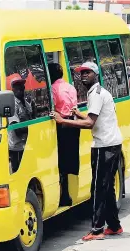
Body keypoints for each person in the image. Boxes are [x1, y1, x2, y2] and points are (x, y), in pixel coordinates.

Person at [51, 62, 123, 241]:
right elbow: (94, 118)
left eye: (87, 73)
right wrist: (79, 113)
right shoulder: (97, 93)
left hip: (104, 146)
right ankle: (114, 226)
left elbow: (90, 123)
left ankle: (97, 229)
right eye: (81, 73)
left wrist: (63, 121)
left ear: (95, 74)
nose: (83, 76)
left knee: (98, 188)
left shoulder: (96, 95)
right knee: (107, 188)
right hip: (112, 143)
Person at [48, 63, 80, 207]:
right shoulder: (70, 87)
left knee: (60, 161)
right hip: (73, 124)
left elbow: (52, 108)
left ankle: (64, 194)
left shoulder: (53, 89)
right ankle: (68, 193)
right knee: (69, 159)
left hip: (62, 125)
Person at [8, 77, 34, 174]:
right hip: (17, 147)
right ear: (13, 89)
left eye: (21, 85)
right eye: (17, 85)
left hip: (28, 145)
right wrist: (33, 127)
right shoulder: (12, 104)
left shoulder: (26, 103)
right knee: (19, 174)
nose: (20, 88)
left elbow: (32, 117)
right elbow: (16, 128)